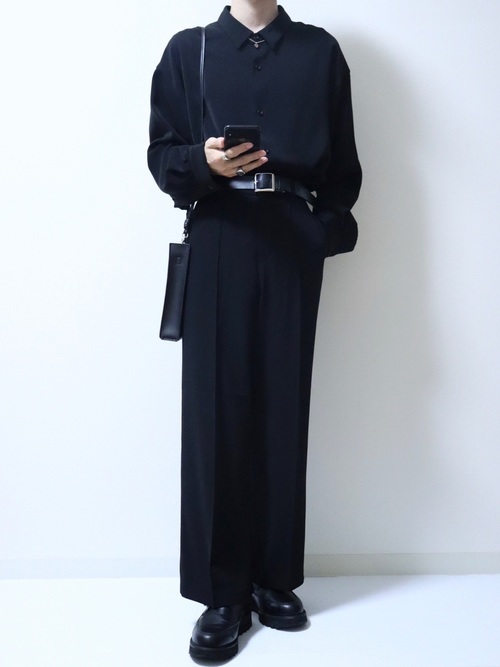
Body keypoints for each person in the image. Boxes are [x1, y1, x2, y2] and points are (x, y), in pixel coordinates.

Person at [148, 0, 361, 660]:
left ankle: (274, 578)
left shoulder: (320, 52)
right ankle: (222, 593)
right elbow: (160, 156)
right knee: (215, 414)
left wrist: (320, 232)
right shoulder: (189, 49)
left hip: (292, 238)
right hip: (219, 235)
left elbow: (344, 167)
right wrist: (204, 164)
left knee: (282, 407)